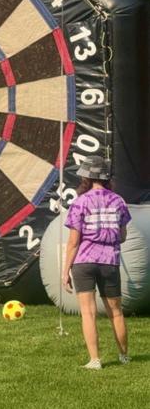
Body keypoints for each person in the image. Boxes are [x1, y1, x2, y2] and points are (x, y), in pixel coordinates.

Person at [63, 155, 131, 370]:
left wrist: (65, 271)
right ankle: (124, 356)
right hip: (109, 261)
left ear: (85, 178)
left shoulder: (80, 203)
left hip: (84, 263)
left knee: (88, 313)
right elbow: (122, 236)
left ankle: (95, 360)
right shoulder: (118, 201)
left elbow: (74, 241)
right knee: (116, 312)